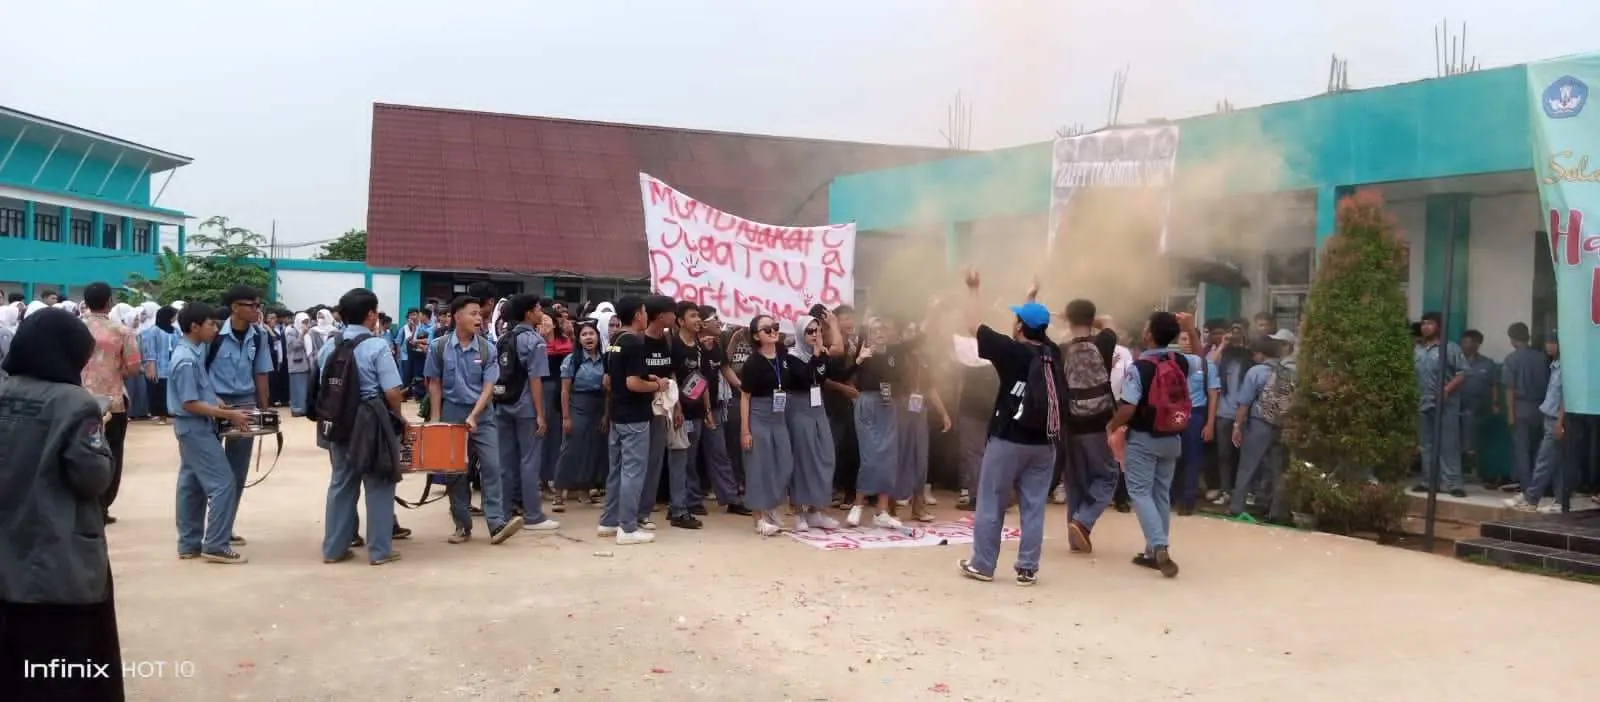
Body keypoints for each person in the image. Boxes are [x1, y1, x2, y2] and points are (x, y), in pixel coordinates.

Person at [0, 307, 123, 702]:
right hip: (56, 564)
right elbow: (93, 479)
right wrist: (100, 440)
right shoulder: (75, 405)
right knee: (63, 671)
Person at [955, 270, 1060, 586]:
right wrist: (1031, 299)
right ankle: (1027, 567)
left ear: (1018, 327)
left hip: (1008, 438)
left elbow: (974, 326)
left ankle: (983, 565)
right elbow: (1037, 327)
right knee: (1033, 506)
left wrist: (974, 288)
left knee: (991, 500)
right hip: (1044, 443)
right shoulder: (1052, 353)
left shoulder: (1009, 351)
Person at [318, 289, 409, 565]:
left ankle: (334, 549)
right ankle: (380, 550)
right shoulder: (377, 346)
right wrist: (399, 418)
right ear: (371, 315)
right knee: (379, 481)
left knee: (341, 483)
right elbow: (392, 391)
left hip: (338, 422)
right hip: (371, 420)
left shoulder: (329, 345)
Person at [424, 295, 524, 545]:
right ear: (457, 316)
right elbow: (434, 383)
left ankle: (496, 523)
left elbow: (489, 386)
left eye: (480, 313)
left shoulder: (487, 348)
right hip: (451, 413)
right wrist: (436, 420)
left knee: (492, 467)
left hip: (483, 414)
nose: (479, 318)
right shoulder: (438, 347)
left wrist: (474, 415)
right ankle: (462, 525)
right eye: (473, 313)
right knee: (456, 472)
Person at [1106, 311, 1197, 579]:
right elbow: (1202, 360)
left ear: (1149, 335)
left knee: (1139, 492)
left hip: (1144, 438)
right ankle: (1151, 552)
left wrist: (1110, 426)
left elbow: (1128, 408)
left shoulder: (1140, 368)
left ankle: (1159, 546)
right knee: (1160, 494)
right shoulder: (1180, 360)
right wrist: (1191, 331)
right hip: (1173, 436)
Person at [171, 302, 253, 564]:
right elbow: (189, 403)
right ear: (194, 327)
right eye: (210, 324)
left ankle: (189, 543)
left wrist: (216, 400)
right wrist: (230, 415)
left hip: (196, 425)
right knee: (223, 483)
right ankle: (216, 544)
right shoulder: (185, 359)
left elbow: (198, 392)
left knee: (193, 483)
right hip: (194, 426)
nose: (215, 329)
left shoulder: (194, 351)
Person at [209, 285, 274, 546]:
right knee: (209, 470)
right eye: (253, 305)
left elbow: (261, 372)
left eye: (259, 306)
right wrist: (211, 400)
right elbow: (200, 371)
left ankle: (225, 527)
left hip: (245, 403)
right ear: (235, 307)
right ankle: (205, 529)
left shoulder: (259, 336)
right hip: (214, 404)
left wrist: (265, 406)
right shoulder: (213, 334)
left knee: (237, 470)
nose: (257, 311)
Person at [492, 293, 560, 532]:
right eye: (539, 308)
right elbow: (535, 380)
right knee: (530, 461)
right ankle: (533, 515)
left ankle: (503, 511)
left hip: (503, 404)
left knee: (505, 462)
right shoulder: (535, 341)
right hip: (526, 407)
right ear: (529, 313)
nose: (542, 311)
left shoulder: (503, 338)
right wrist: (541, 414)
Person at [1058, 298, 1120, 553]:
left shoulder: (1061, 348)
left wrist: (1066, 319)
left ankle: (1076, 534)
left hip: (1071, 423)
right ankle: (1082, 522)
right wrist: (1083, 318)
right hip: (1099, 422)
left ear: (1070, 320)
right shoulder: (1104, 342)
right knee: (1108, 476)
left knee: (1075, 480)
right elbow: (1108, 322)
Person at [599, 295, 661, 545]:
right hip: (634, 416)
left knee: (617, 470)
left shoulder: (615, 341)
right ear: (637, 315)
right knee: (633, 472)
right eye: (645, 312)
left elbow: (608, 380)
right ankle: (628, 527)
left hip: (617, 413)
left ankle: (608, 521)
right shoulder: (634, 343)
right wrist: (658, 384)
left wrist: (647, 377)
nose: (646, 316)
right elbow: (633, 382)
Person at [78, 283, 142, 525]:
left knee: (81, 450)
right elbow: (135, 367)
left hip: (78, 399)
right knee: (112, 453)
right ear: (110, 302)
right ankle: (102, 506)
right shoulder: (122, 331)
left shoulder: (75, 326)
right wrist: (116, 368)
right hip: (112, 402)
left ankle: (83, 505)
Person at [784, 313, 843, 531]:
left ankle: (816, 510)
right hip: (798, 408)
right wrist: (817, 355)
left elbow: (829, 373)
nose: (815, 335)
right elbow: (803, 378)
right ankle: (799, 512)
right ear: (800, 333)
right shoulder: (791, 356)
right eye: (810, 331)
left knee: (824, 455)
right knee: (802, 460)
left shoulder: (821, 354)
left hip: (818, 409)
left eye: (818, 330)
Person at [690, 306, 750, 515]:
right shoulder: (691, 345)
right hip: (692, 409)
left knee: (720, 453)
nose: (719, 322)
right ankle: (691, 499)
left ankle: (731, 498)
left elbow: (724, 368)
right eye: (714, 318)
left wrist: (743, 388)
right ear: (703, 324)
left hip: (714, 408)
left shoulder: (715, 345)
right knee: (690, 457)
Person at [739, 314, 795, 536]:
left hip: (779, 416)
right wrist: (746, 430)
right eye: (766, 329)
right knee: (758, 467)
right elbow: (745, 397)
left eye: (775, 326)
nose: (773, 331)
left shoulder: (782, 353)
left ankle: (772, 507)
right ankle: (759, 518)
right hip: (759, 416)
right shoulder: (753, 362)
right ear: (755, 335)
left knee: (783, 463)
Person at [1411, 311, 1469, 498]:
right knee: (1427, 444)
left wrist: (1446, 390)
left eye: (1430, 323)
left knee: (1448, 443)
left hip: (1446, 403)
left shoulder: (1450, 348)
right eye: (1423, 323)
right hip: (1422, 401)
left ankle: (1453, 483)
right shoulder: (1417, 350)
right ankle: (1429, 481)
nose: (1425, 327)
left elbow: (1462, 374)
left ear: (1439, 327)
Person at [1506, 332, 1564, 513]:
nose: (1548, 346)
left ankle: (1531, 497)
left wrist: (1560, 422)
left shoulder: (1565, 368)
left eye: (1552, 343)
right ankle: (1561, 500)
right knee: (1556, 462)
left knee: (1543, 459)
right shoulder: (1552, 364)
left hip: (1555, 418)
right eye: (1547, 342)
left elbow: (1566, 397)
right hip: (1545, 414)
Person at [553, 320, 608, 509]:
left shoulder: (606, 359)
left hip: (598, 407)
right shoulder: (572, 360)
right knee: (569, 450)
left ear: (598, 336)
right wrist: (566, 417)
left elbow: (609, 391)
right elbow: (564, 391)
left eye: (591, 334)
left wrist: (606, 415)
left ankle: (585, 491)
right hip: (577, 406)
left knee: (592, 451)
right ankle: (559, 493)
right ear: (579, 339)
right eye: (584, 335)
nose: (588, 338)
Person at [665, 301, 709, 529]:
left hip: (697, 410)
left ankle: (685, 502)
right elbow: (671, 378)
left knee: (690, 459)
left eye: (698, 315)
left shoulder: (700, 345)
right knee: (679, 459)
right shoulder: (672, 344)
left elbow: (703, 379)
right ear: (680, 320)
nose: (698, 319)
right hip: (679, 411)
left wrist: (708, 409)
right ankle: (678, 509)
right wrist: (677, 408)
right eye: (692, 315)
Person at [1500, 322, 1549, 493]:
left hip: (1520, 408)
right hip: (1541, 408)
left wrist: (1510, 414)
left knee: (1522, 450)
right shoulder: (1542, 357)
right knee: (1538, 449)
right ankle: (1540, 485)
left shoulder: (1511, 359)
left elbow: (1510, 389)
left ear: (1512, 339)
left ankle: (1527, 487)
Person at [140, 306, 178, 426]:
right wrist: (151, 366)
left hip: (172, 366)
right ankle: (161, 415)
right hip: (159, 367)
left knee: (171, 391)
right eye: (173, 315)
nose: (175, 318)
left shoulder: (175, 330)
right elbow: (150, 350)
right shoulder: (153, 331)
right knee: (160, 392)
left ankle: (171, 413)